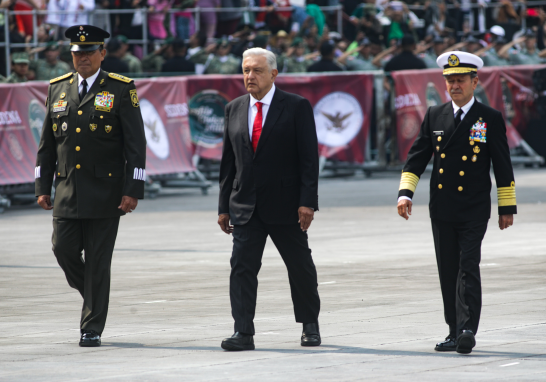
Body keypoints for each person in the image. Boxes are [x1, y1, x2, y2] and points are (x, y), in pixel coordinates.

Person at [397, 51, 517, 355]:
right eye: (449, 80)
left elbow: (502, 165)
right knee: (447, 269)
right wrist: (405, 193)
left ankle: (467, 329)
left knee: (467, 266)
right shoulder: (435, 115)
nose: (454, 85)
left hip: (474, 207)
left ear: (474, 82)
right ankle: (453, 330)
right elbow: (417, 157)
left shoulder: (489, 118)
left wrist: (507, 207)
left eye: (460, 80)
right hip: (442, 206)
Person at [34, 25, 146, 348]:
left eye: (88, 52)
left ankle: (91, 326)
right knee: (63, 249)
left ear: (102, 54)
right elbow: (47, 145)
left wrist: (132, 189)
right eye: (77, 53)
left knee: (98, 260)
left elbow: (135, 146)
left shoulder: (122, 89)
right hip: (67, 190)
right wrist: (43, 184)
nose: (82, 58)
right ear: (70, 55)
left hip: (106, 193)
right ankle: (96, 293)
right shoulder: (57, 88)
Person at [218, 47, 321, 351]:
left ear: (274, 74)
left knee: (300, 266)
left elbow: (308, 159)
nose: (250, 76)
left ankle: (310, 324)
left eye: (257, 70)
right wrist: (223, 207)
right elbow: (228, 163)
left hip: (287, 205)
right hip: (245, 205)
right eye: (246, 70)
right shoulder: (234, 108)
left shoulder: (296, 106)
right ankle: (243, 332)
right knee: (241, 268)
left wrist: (307, 202)